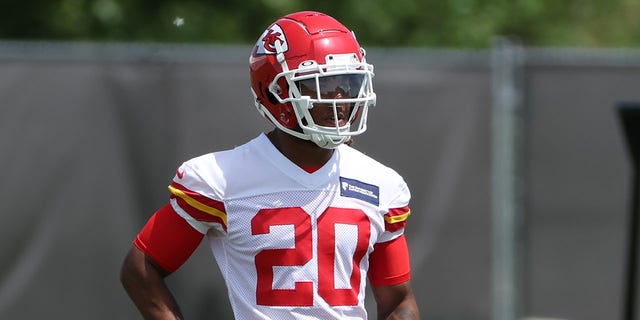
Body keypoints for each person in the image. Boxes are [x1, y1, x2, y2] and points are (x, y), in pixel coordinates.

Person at [120, 10, 420, 320]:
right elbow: (141, 268)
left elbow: (399, 301)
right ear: (277, 93)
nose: (340, 98)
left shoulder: (381, 184)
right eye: (323, 84)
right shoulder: (219, 179)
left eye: (347, 82)